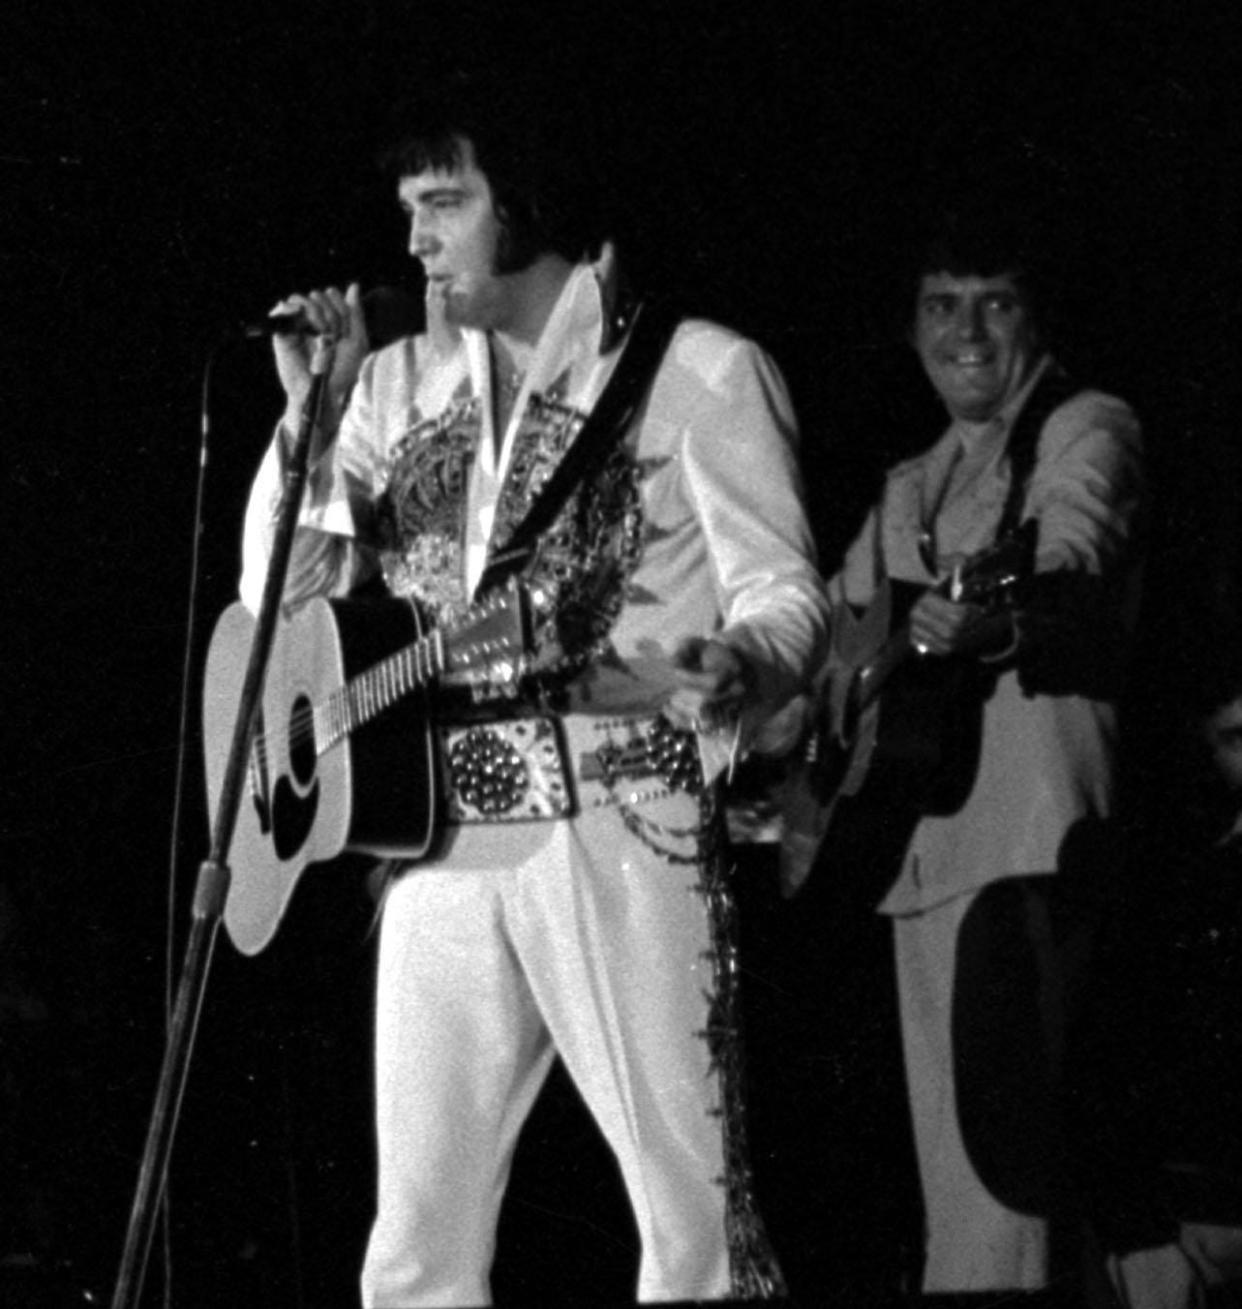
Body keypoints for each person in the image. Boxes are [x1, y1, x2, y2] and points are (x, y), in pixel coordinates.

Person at [236, 87, 827, 1307]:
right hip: (440, 830)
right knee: (414, 1241)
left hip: (623, 812)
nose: (415, 242)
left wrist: (749, 665)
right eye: (408, 209)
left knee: (692, 1219)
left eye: (444, 204)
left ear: (529, 205)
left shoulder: (698, 370)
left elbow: (785, 594)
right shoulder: (391, 386)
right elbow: (273, 607)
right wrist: (313, 413)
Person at [799, 208, 1145, 1300]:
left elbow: (1074, 547)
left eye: (995, 302)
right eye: (942, 306)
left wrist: (998, 621)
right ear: (910, 331)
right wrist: (765, 698)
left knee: (1027, 1203)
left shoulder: (1083, 425)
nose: (969, 332)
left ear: (1035, 317)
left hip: (1030, 861)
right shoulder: (909, 481)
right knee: (962, 1203)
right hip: (918, 861)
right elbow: (830, 646)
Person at [1086, 654, 1242, 1309]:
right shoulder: (1175, 892)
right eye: (1237, 738)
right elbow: (1106, 1056)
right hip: (1195, 1225)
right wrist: (1140, 1231)